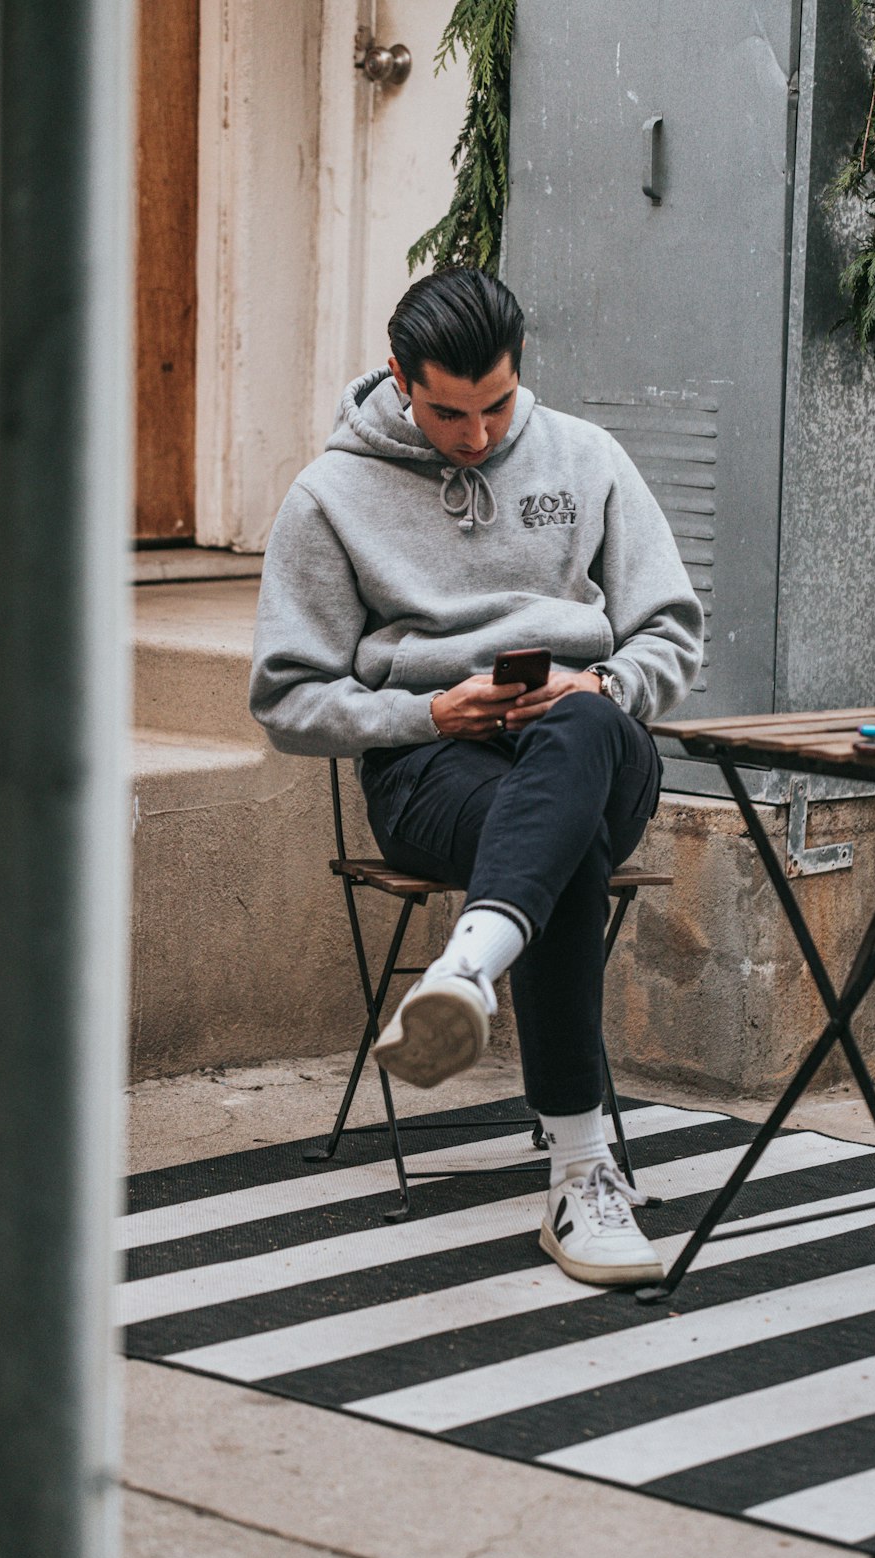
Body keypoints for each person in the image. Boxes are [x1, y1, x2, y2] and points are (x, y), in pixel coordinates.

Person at [250, 267, 703, 1286]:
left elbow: (672, 629)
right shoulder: (331, 495)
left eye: (497, 402)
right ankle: (583, 1177)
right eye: (450, 411)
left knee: (581, 729)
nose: (479, 433)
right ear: (403, 382)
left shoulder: (587, 456)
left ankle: (465, 968)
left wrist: (604, 678)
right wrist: (427, 710)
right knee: (559, 842)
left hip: (592, 742)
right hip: (432, 770)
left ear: (518, 371)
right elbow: (286, 697)